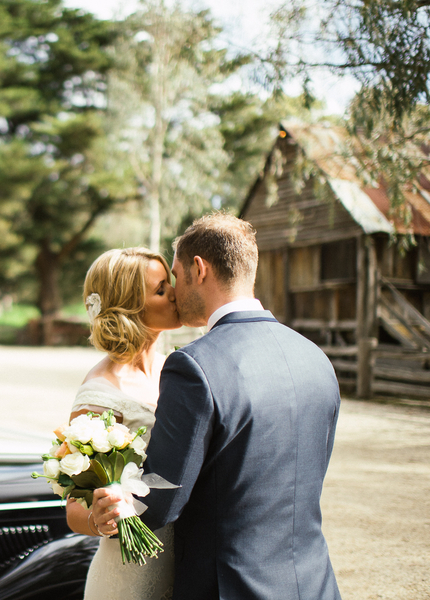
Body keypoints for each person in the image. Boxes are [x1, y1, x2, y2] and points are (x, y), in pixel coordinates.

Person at [93, 213, 341, 599]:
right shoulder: (315, 358)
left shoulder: (194, 366)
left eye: (175, 276)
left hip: (228, 586)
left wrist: (114, 494)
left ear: (199, 268)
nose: (174, 291)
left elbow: (161, 501)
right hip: (313, 582)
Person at [66, 247, 182, 600]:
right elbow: (74, 506)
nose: (176, 293)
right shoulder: (101, 391)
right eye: (162, 289)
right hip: (129, 575)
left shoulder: (178, 368)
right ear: (130, 307)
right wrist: (96, 519)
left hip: (186, 560)